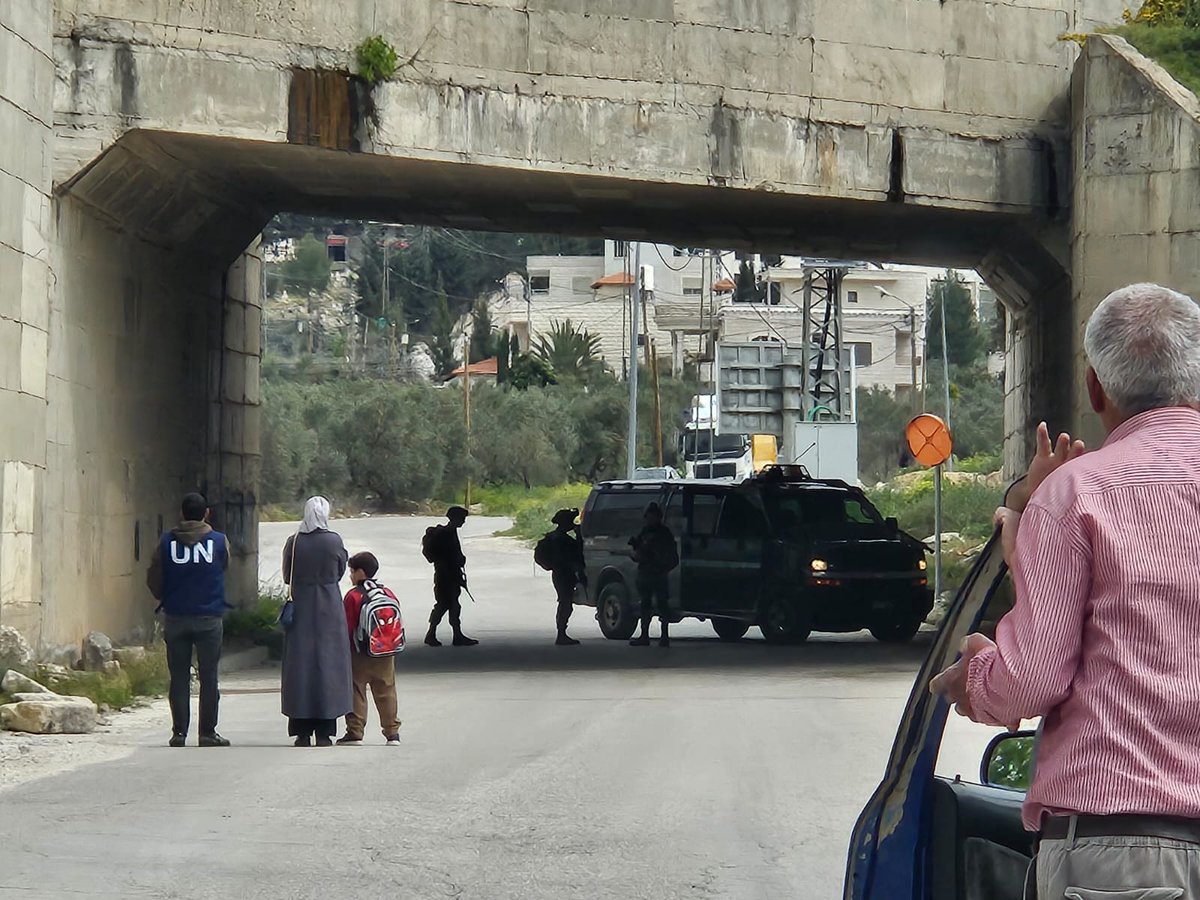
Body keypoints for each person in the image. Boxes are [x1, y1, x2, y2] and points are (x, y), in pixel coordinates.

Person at [930, 283, 1200, 898]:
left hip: (1121, 853)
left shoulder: (1076, 493)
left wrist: (972, 677)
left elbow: (1033, 678)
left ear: (1095, 388)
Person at [146, 492, 231, 748]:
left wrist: (167, 595)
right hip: (209, 617)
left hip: (176, 617)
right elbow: (223, 566)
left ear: (182, 514)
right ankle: (207, 733)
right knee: (209, 676)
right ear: (207, 514)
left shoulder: (166, 542)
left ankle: (179, 732)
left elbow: (154, 578)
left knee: (179, 676)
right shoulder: (218, 541)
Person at [281, 496, 353, 747]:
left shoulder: (295, 541)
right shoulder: (334, 541)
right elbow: (341, 569)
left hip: (301, 606)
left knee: (300, 667)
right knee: (328, 666)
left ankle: (301, 732)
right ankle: (325, 731)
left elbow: (286, 575)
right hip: (329, 607)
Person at [338, 551, 401, 746]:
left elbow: (347, 626)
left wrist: (343, 651)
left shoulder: (353, 596)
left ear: (361, 572)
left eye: (352, 571)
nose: (350, 575)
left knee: (357, 690)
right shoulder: (388, 593)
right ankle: (392, 733)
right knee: (386, 690)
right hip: (385, 652)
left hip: (360, 653)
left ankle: (355, 732)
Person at [423, 506, 478, 647]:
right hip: (445, 576)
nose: (464, 521)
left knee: (451, 606)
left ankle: (453, 635)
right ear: (455, 518)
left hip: (450, 575)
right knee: (445, 605)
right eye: (462, 518)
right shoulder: (445, 534)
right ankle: (434, 634)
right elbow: (445, 557)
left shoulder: (450, 532)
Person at [628, 502, 678, 648]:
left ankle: (664, 636)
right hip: (647, 573)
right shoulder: (645, 532)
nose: (649, 519)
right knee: (645, 605)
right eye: (648, 516)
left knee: (662, 606)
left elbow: (672, 556)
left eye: (652, 516)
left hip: (658, 573)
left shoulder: (664, 534)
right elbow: (640, 552)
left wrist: (663, 567)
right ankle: (645, 635)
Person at [540, 508, 586, 646]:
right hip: (564, 573)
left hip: (559, 573)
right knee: (565, 603)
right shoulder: (563, 540)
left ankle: (562, 633)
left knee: (565, 602)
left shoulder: (553, 537)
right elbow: (576, 555)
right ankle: (561, 634)